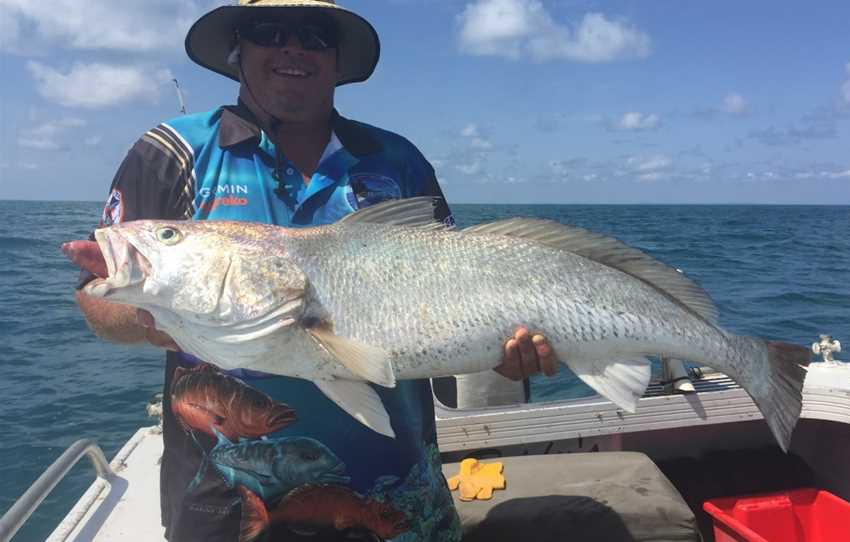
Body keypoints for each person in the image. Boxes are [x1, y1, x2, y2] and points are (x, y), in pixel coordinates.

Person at [73, 1, 557, 540]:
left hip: (397, 504)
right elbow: (96, 298)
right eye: (268, 31)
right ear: (239, 48)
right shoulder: (173, 152)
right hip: (227, 509)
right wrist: (155, 317)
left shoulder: (397, 160)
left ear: (336, 56)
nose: (291, 47)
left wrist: (506, 348)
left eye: (314, 34)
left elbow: (451, 287)